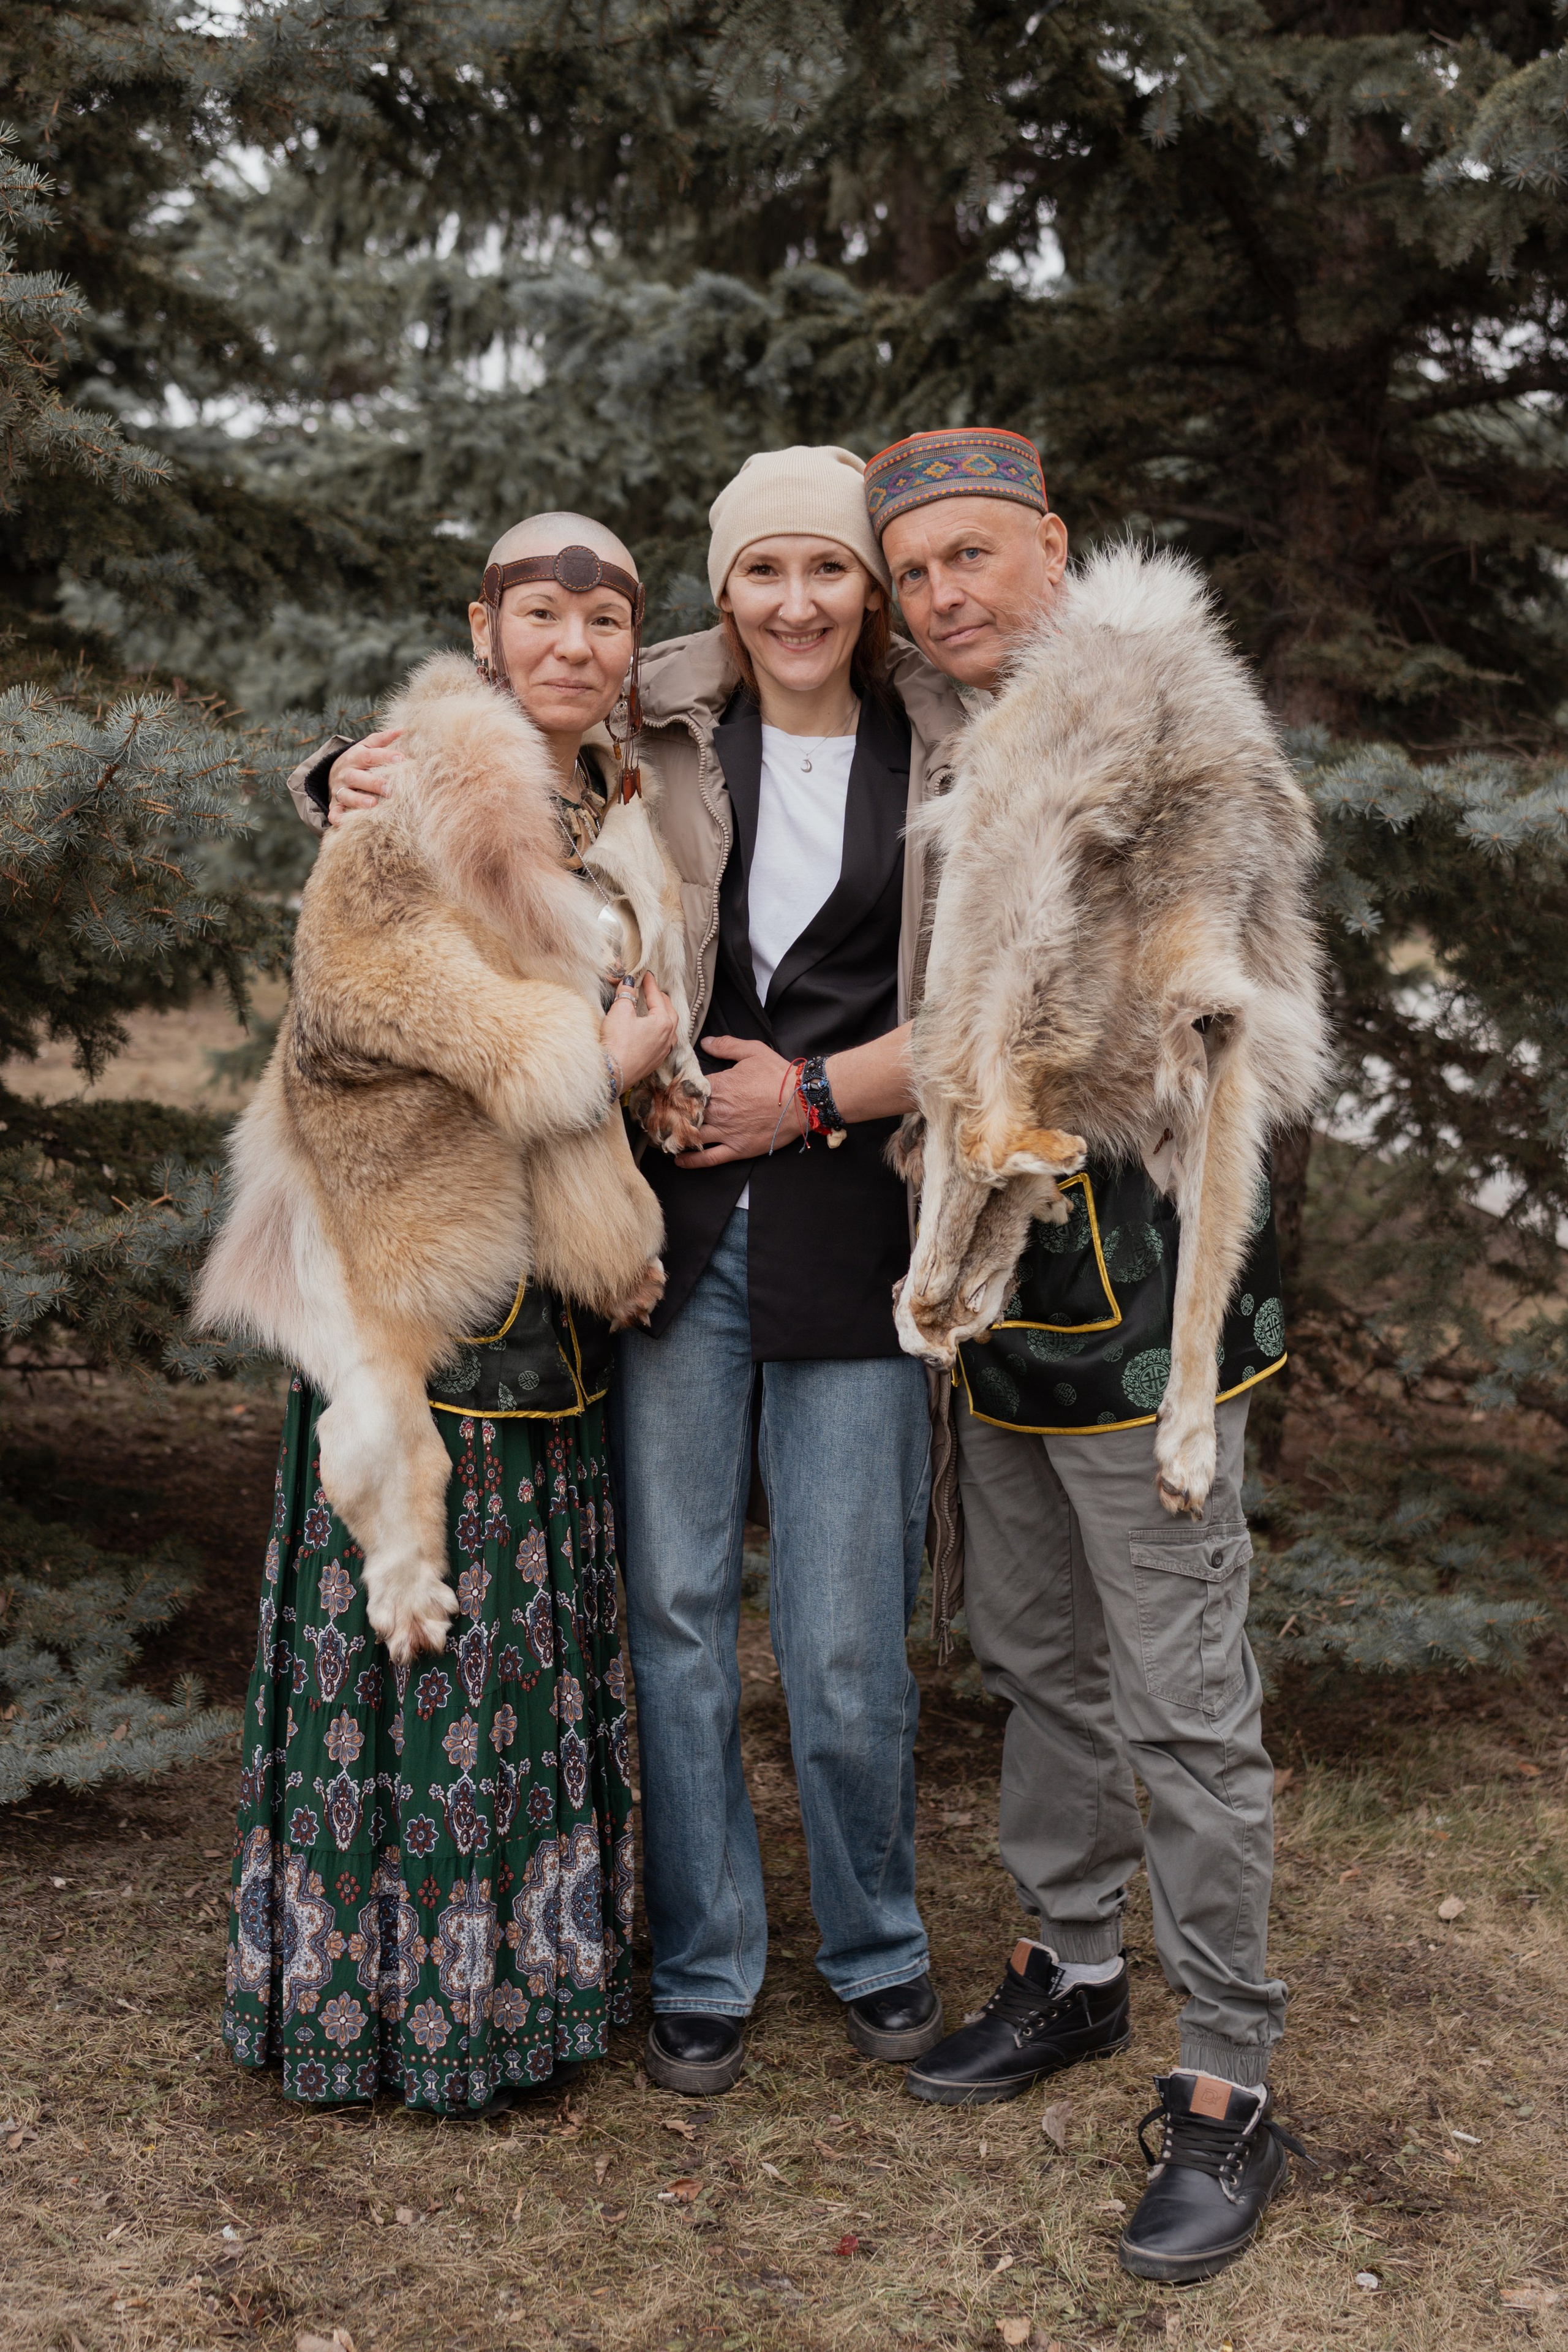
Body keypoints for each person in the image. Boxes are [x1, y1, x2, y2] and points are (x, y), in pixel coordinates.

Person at [861, 428, 1305, 2283]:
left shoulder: (1152, 704)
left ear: (1051, 542)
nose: (946, 594)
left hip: (1142, 1290)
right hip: (1005, 1292)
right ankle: (1073, 1967)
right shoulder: (973, 727)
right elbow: (696, 668)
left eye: (975, 556)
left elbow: (1214, 950)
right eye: (915, 575)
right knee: (1037, 1659)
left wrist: (1182, 995)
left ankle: (1230, 2082)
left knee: (1185, 1702)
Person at [222, 513, 679, 2119]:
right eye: (540, 615)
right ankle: (394, 2002)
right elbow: (357, 998)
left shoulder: (605, 799)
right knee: (427, 1599)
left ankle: (531, 1983)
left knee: (529, 1600)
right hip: (419, 1259)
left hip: (542, 1291)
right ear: (484, 633)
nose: (573, 645)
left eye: (605, 620)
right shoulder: (415, 790)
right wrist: (577, 1069)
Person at [614, 447, 970, 2094]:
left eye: (830, 571)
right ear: (725, 590)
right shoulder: (661, 723)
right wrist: (345, 775)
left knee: (841, 1642)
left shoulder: (947, 744)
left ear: (872, 592)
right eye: (766, 573)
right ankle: (702, 1959)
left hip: (858, 1234)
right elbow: (493, 712)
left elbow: (1004, 999)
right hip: (668, 1236)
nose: (798, 602)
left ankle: (878, 1940)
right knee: (677, 1614)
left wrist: (808, 1095)